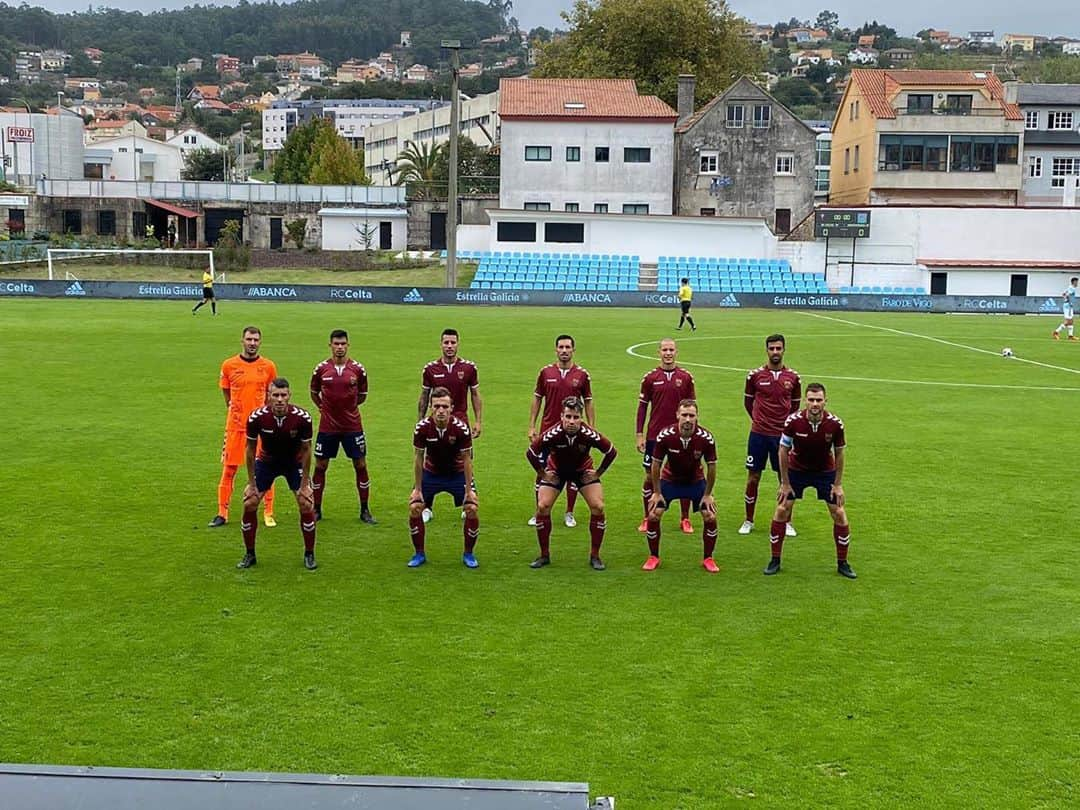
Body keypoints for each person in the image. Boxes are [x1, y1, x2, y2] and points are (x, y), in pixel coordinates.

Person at [765, 383, 854, 579]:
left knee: (839, 513)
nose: (815, 404)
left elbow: (839, 453)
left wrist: (838, 484)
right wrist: (785, 483)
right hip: (798, 471)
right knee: (781, 509)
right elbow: (783, 450)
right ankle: (775, 559)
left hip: (824, 471)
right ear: (805, 401)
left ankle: (843, 563)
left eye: (819, 400)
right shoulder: (793, 421)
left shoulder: (835, 424)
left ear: (825, 401)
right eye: (811, 400)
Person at [235, 378, 318, 570]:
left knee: (306, 504)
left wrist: (305, 484)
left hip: (293, 462)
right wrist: (251, 483)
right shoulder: (257, 417)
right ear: (268, 397)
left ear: (289, 396)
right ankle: (250, 554)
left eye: (283, 395)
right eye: (275, 395)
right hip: (267, 461)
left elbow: (306, 450)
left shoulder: (302, 418)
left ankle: (309, 554)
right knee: (250, 503)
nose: (279, 399)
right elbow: (250, 450)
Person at [527, 396, 617, 570]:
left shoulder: (589, 433)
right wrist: (543, 474)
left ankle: (595, 556)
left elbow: (611, 451)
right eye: (568, 416)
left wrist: (597, 473)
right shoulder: (552, 433)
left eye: (575, 417)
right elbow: (531, 452)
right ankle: (544, 555)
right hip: (557, 471)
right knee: (543, 506)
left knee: (598, 506)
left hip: (582, 471)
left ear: (581, 418)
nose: (571, 421)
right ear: (561, 416)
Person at [210, 326, 277, 528]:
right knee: (229, 470)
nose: (252, 343)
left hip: (261, 429)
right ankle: (222, 513)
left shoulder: (268, 366)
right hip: (236, 428)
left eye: (256, 340)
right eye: (249, 339)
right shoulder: (229, 365)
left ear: (260, 342)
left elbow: (272, 396)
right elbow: (227, 395)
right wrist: (238, 412)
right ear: (242, 340)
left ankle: (268, 512)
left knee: (266, 469)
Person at [526, 334, 594, 529]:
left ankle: (569, 512)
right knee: (541, 470)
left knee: (573, 471)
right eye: (561, 347)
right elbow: (538, 398)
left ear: (573, 350)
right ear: (556, 350)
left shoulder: (582, 375)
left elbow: (588, 401)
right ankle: (539, 511)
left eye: (567, 347)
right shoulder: (545, 372)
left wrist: (590, 426)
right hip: (548, 431)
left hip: (574, 433)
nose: (564, 351)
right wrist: (532, 425)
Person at [643, 399, 719, 573]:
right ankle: (653, 556)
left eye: (691, 415)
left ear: (697, 417)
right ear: (677, 415)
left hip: (695, 482)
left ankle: (708, 558)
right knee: (654, 515)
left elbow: (712, 466)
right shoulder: (665, 435)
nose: (687, 419)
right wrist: (656, 492)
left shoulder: (706, 438)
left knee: (710, 516)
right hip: (670, 480)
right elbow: (656, 464)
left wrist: (707, 495)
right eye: (684, 415)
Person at [408, 387, 479, 568]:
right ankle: (419, 554)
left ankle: (469, 554)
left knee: (471, 508)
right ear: (431, 407)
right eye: (437, 406)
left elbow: (467, 460)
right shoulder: (422, 428)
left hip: (456, 474)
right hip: (431, 473)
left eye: (445, 406)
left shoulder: (461, 429)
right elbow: (418, 458)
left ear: (452, 408)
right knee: (415, 507)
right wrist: (417, 489)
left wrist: (469, 490)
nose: (441, 410)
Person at [310, 329, 376, 524]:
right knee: (321, 465)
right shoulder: (321, 369)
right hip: (327, 427)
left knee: (360, 464)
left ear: (348, 345)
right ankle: (316, 509)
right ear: (330, 345)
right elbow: (314, 392)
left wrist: (348, 409)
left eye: (343, 344)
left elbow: (362, 395)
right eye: (336, 344)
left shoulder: (358, 369)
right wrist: (323, 408)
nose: (339, 347)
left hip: (352, 426)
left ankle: (364, 509)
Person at [417, 328, 482, 523]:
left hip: (460, 421)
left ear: (458, 344)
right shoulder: (430, 369)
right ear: (441, 344)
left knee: (464, 459)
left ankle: (467, 497)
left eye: (453, 342)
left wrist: (478, 420)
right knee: (431, 457)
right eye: (446, 342)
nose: (449, 346)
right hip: (436, 420)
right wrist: (420, 419)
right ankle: (426, 505)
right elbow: (424, 397)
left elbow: (476, 395)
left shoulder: (469, 368)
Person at [740, 334, 800, 538]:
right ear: (766, 350)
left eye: (779, 348)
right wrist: (758, 419)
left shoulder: (793, 377)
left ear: (784, 350)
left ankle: (787, 521)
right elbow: (748, 403)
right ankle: (748, 520)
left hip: (782, 438)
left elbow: (795, 406)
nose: (775, 352)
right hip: (758, 435)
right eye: (772, 348)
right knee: (753, 477)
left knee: (784, 478)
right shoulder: (754, 376)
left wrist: (784, 426)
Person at [636, 338, 696, 534]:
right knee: (649, 476)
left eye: (671, 350)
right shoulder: (650, 378)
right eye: (664, 350)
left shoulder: (686, 377)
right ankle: (647, 516)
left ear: (676, 352)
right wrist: (639, 434)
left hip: (681, 436)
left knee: (685, 475)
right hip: (655, 436)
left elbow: (692, 408)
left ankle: (685, 518)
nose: (668, 353)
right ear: (658, 352)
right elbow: (643, 407)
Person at [1052, 276, 1079, 341]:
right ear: (1074, 282)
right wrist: (1068, 301)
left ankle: (1070, 336)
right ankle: (1056, 332)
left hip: (1069, 305)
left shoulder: (1069, 287)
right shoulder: (1072, 288)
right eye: (1077, 282)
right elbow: (1067, 295)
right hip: (1068, 306)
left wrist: (1066, 299)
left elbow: (1063, 294)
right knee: (1068, 321)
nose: (1077, 283)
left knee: (1071, 321)